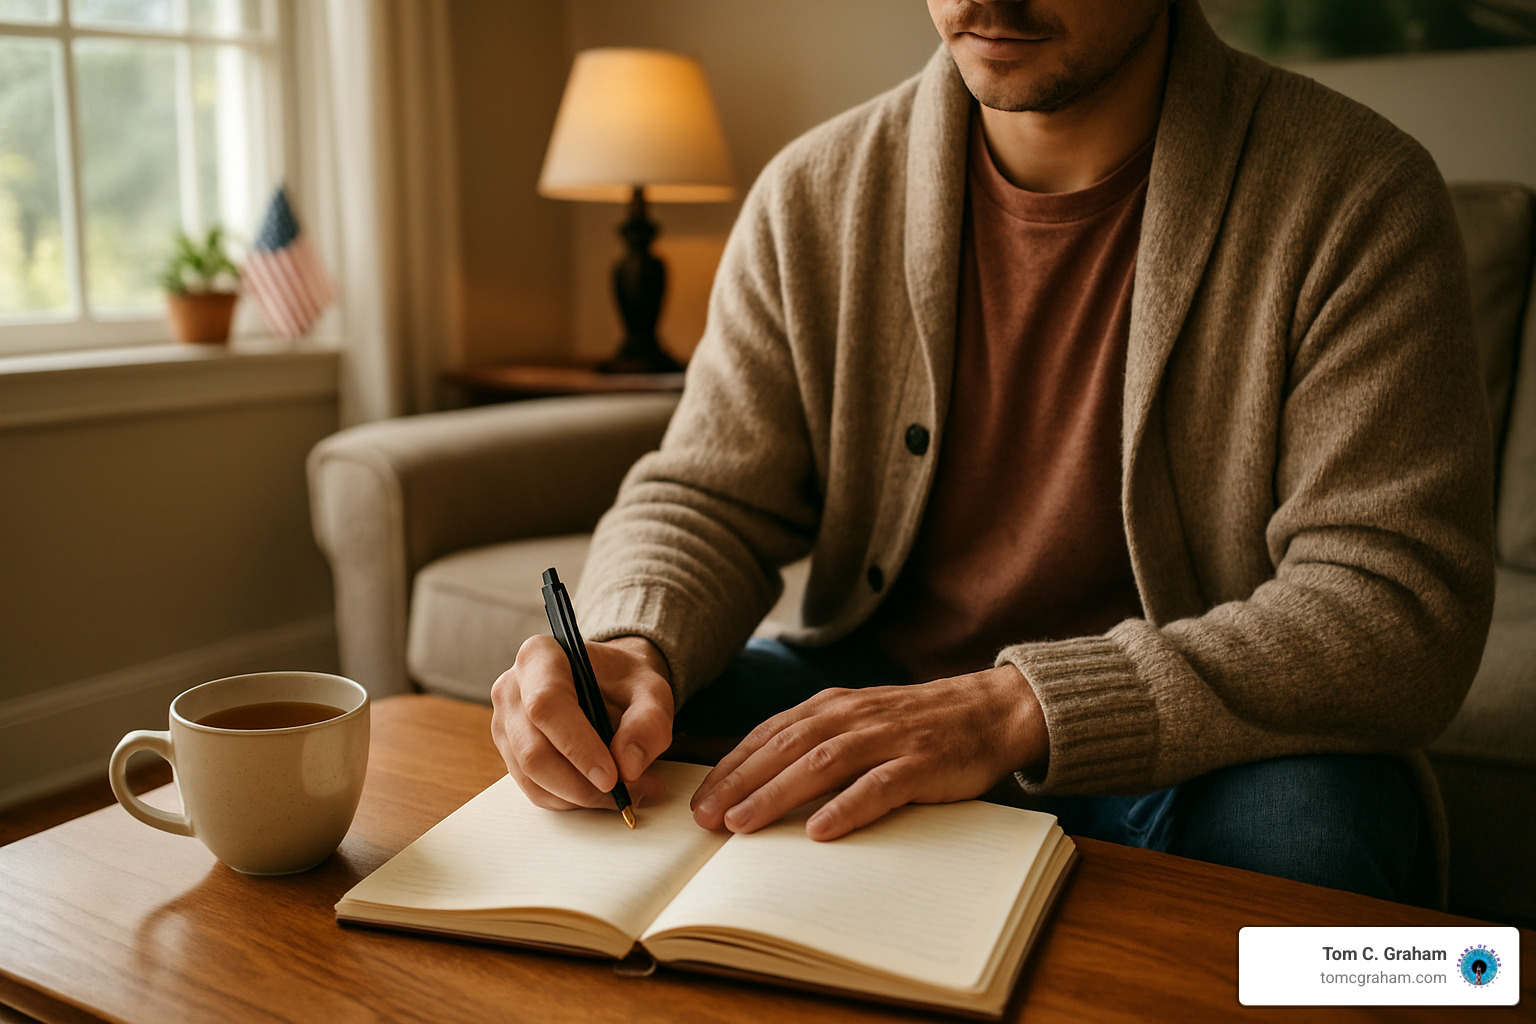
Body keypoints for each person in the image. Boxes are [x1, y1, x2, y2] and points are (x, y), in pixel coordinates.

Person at [491, 0, 1494, 902]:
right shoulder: (812, 194)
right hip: (882, 685)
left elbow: (1394, 605)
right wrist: (628, 644)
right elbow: (706, 494)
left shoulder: (1356, 194)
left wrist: (1013, 708)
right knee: (638, 744)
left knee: (1326, 824)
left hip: (1191, 751)